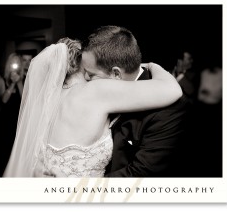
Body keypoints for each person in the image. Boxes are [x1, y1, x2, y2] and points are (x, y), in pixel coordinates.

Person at [3, 36, 182, 177]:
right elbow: (172, 89)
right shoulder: (94, 91)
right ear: (81, 65)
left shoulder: (47, 102)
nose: (90, 77)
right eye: (90, 70)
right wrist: (153, 65)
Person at [81, 26, 188, 177]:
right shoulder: (96, 93)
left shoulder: (168, 109)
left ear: (116, 73)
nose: (85, 78)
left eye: (91, 74)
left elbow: (142, 173)